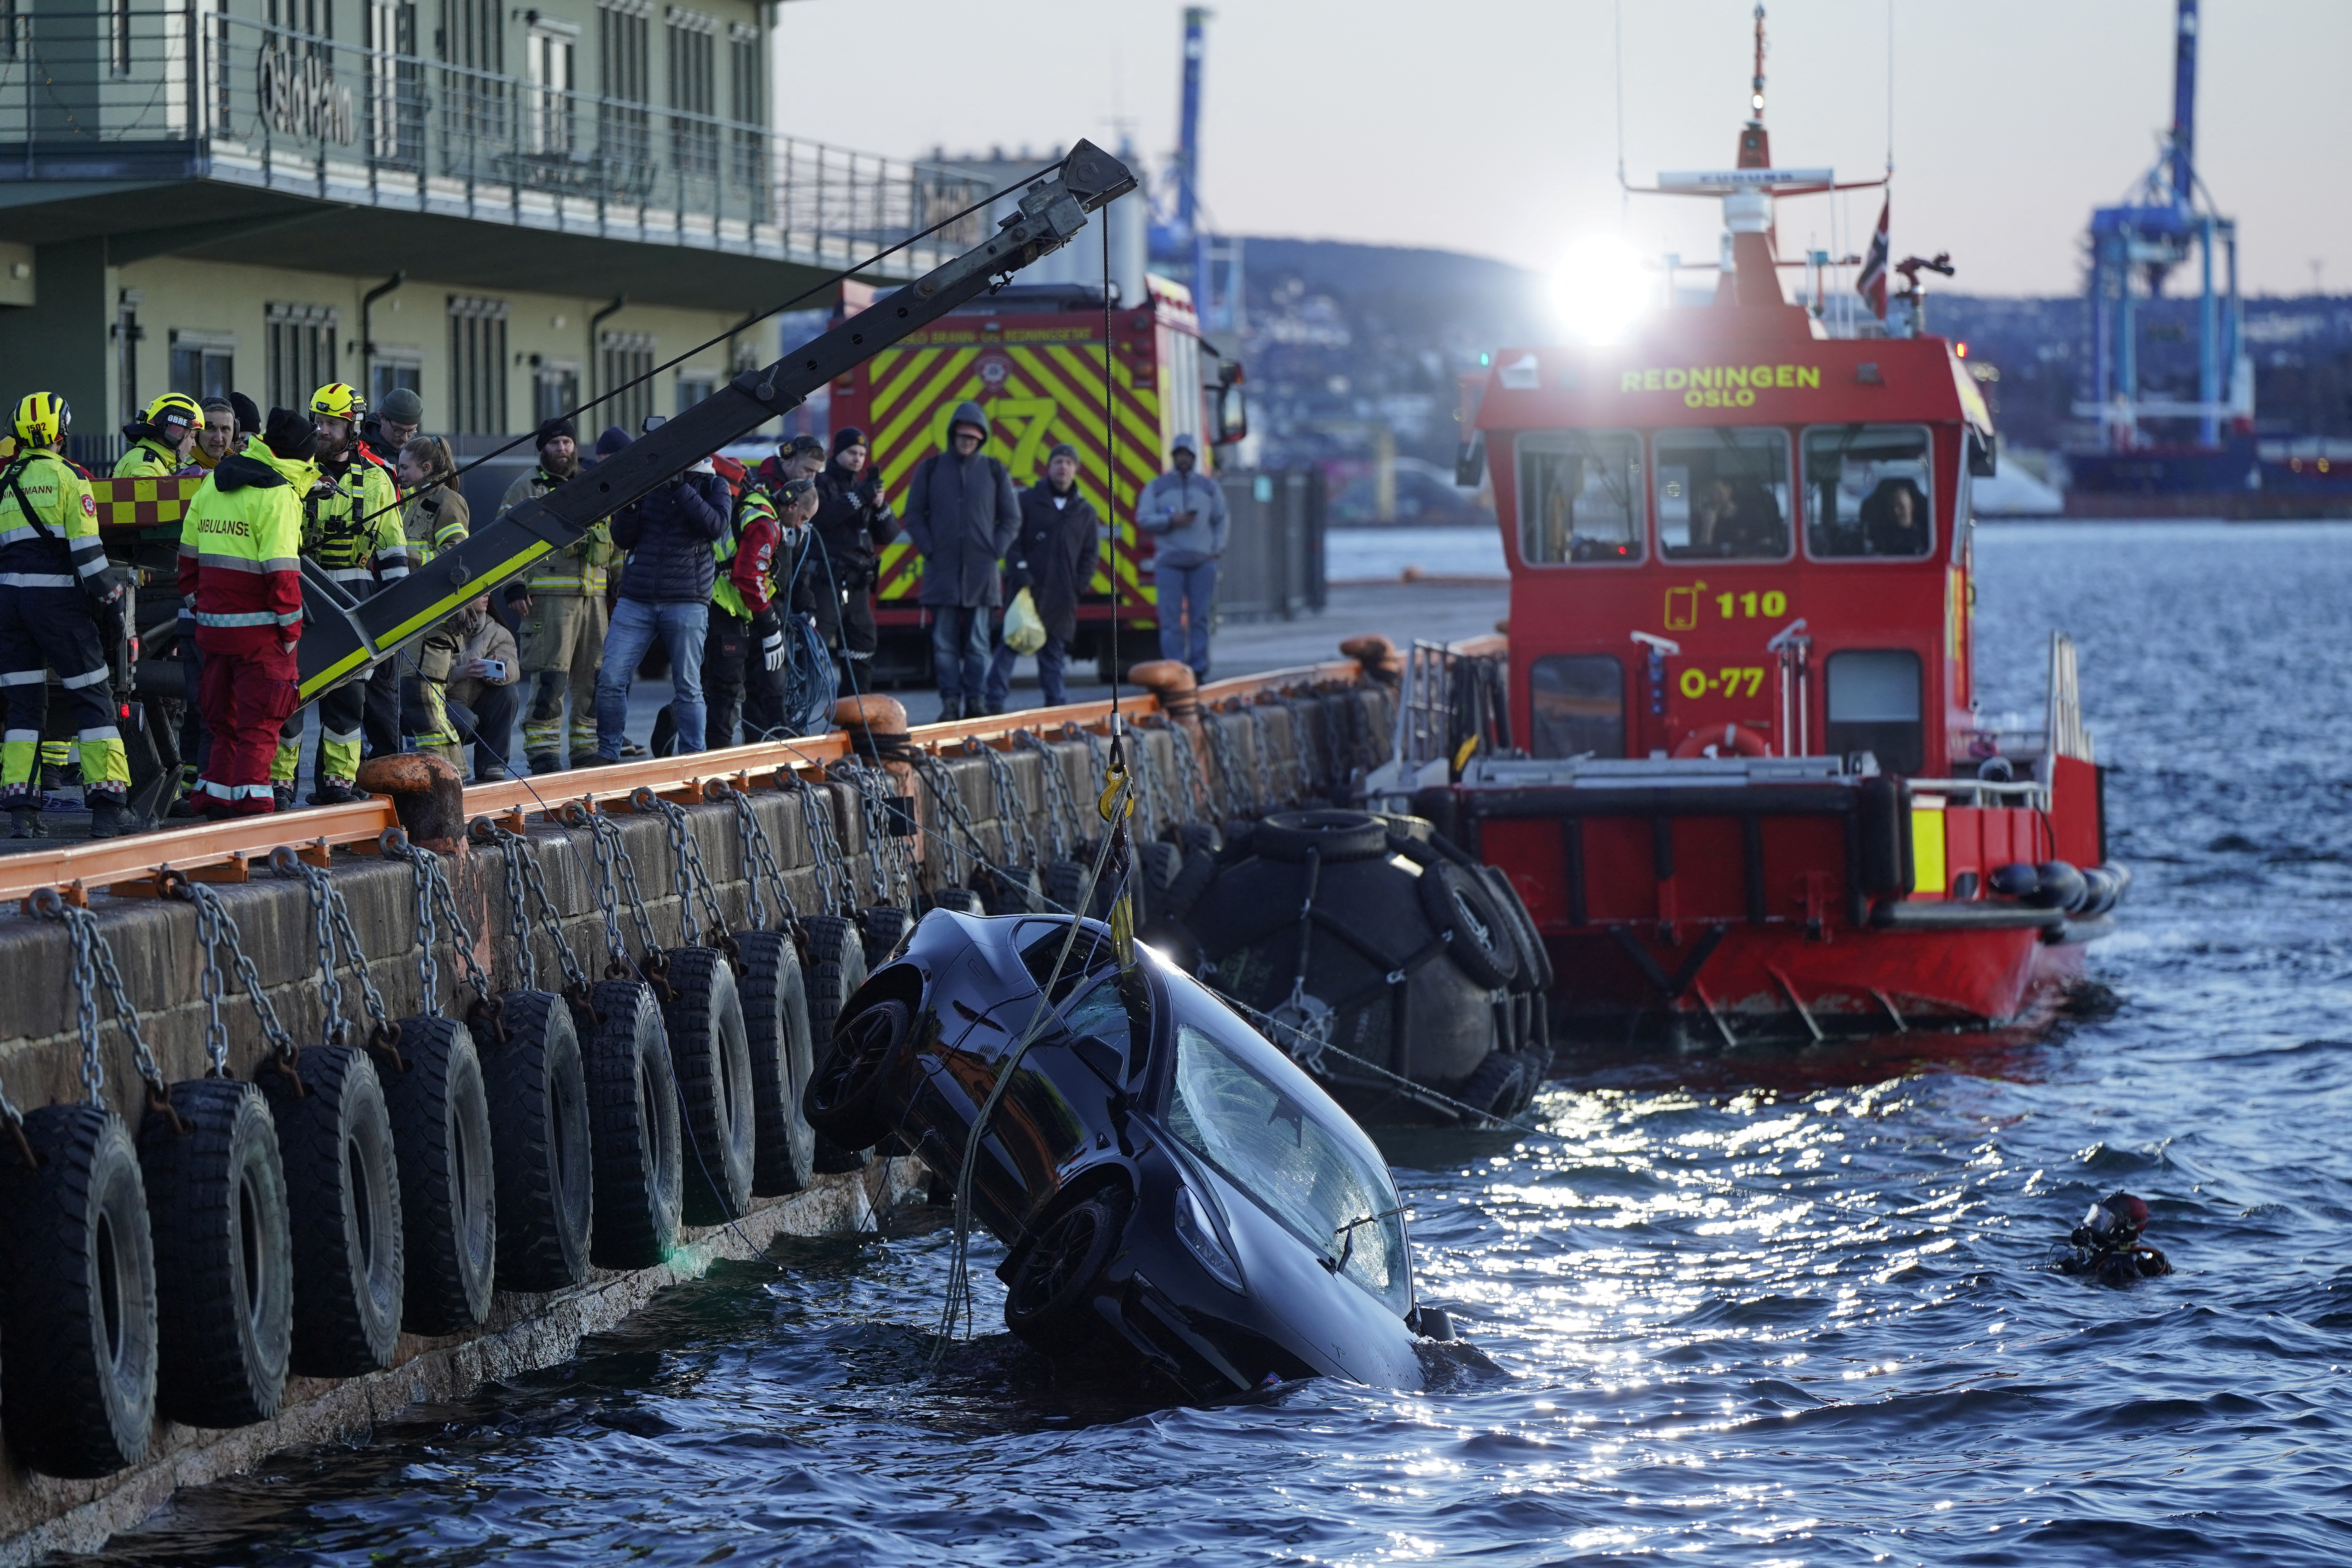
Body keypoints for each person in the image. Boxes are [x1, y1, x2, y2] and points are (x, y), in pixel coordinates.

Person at [0, 394, 134, 838]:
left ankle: (21, 811)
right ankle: (109, 808)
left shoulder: (4, 480)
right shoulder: (71, 479)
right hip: (58, 606)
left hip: (9, 608)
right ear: (62, 433)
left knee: (22, 708)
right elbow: (89, 559)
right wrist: (114, 600)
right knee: (92, 697)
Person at [179, 408, 312, 818]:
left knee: (222, 723)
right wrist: (291, 630)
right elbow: (282, 573)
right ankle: (253, 810)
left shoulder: (213, 485)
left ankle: (216, 798)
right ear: (301, 457)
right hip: (262, 635)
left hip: (214, 630)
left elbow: (187, 558)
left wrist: (201, 608)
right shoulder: (280, 495)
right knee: (260, 725)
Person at [278, 382, 405, 805]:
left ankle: (337, 783)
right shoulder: (293, 473)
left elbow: (392, 548)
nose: (323, 431)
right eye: (318, 421)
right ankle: (280, 784)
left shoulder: (377, 479)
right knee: (290, 698)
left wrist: (396, 608)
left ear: (352, 427)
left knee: (348, 702)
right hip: (302, 595)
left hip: (356, 599)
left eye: (332, 423)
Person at [589, 455, 728, 761]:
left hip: (687, 599)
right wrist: (631, 504)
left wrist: (680, 487)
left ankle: (693, 758)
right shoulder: (648, 482)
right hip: (637, 597)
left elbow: (715, 526)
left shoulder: (713, 483)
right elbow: (623, 539)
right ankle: (608, 753)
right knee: (611, 678)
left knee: (689, 687)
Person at [503, 417, 617, 772]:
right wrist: (514, 586)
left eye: (568, 442)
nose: (563, 449)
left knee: (593, 680)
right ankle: (543, 754)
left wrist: (622, 583)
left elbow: (615, 542)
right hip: (547, 604)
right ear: (542, 449)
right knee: (551, 680)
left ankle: (585, 751)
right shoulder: (526, 488)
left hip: (595, 602)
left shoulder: (591, 484)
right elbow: (504, 542)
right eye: (555, 444)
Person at [902, 400, 1018, 720]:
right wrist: (930, 549)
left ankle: (976, 702)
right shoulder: (931, 469)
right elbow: (913, 515)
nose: (967, 441)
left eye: (974, 437)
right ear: (952, 435)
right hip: (942, 572)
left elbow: (1011, 518)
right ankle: (951, 703)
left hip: (982, 574)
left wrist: (996, 550)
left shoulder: (994, 470)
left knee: (979, 645)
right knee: (944, 645)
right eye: (963, 435)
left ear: (981, 439)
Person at [695, 473, 811, 749]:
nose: (802, 527)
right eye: (804, 519)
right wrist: (769, 624)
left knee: (729, 688)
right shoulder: (764, 524)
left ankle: (736, 750)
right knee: (726, 690)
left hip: (727, 608)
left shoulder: (755, 506)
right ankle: (716, 761)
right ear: (793, 506)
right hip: (724, 608)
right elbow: (748, 577)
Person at [986, 443, 1100, 711]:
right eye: (1058, 462)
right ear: (1048, 468)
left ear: (1075, 471)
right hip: (1027, 591)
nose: (1063, 468)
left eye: (1069, 464)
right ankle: (992, 702)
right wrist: (1021, 573)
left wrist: (1078, 587)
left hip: (1062, 595)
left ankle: (1056, 708)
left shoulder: (1085, 512)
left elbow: (1090, 555)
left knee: (1053, 657)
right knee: (1010, 646)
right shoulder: (1026, 501)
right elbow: (1011, 542)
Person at [396, 436, 474, 764]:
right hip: (416, 616)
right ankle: (444, 773)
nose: (398, 472)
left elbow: (457, 557)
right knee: (418, 700)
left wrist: (401, 557)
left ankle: (451, 774)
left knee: (424, 699)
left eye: (404, 467)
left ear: (426, 468)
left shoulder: (447, 502)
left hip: (437, 618)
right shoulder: (412, 502)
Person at [806, 425, 899, 693]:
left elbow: (889, 534)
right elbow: (824, 519)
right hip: (827, 583)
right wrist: (860, 497)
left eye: (862, 454)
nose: (858, 459)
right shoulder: (821, 485)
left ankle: (856, 723)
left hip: (858, 588)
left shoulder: (865, 490)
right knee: (814, 649)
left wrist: (880, 506)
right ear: (837, 453)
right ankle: (799, 718)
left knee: (861, 651)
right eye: (851, 452)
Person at [1136, 431, 1228, 681]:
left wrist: (1216, 549)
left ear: (1195, 457)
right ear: (1173, 457)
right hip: (1169, 562)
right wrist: (1170, 520)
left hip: (1202, 562)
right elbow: (1143, 518)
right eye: (1179, 455)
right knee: (1170, 620)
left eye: (1188, 455)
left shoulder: (1209, 487)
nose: (1184, 459)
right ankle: (1174, 669)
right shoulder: (1157, 487)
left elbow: (1222, 519)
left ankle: (1198, 669)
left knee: (1200, 618)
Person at [434, 595, 519, 780]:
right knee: (464, 719)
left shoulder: (497, 631)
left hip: (474, 714)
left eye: (489, 591)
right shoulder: (438, 628)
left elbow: (511, 662)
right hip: (441, 708)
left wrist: (501, 670)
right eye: (481, 591)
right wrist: (461, 672)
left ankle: (492, 765)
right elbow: (422, 676)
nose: (488, 595)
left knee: (509, 693)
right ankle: (445, 769)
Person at [2056, 1191, 2172, 1285]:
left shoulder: (2120, 1266)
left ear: (2126, 1228)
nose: (2095, 1224)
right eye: (2097, 1215)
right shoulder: (2103, 1254)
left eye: (2105, 1220)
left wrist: (2076, 1273)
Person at [113, 392, 203, 477]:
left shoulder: (157, 462)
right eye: (192, 436)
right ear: (175, 432)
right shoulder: (146, 467)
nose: (194, 444)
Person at [1859, 477, 1929, 557]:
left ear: (1913, 506)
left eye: (1901, 507)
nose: (1896, 512)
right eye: (1891, 507)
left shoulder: (1930, 541)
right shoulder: (1875, 542)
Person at [359, 386, 423, 467]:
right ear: (382, 417)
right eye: (398, 430)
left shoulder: (419, 453)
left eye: (411, 432)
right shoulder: (360, 451)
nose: (405, 438)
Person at [193, 397, 238, 470]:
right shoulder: (180, 469)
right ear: (196, 432)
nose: (219, 439)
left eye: (225, 429)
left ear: (235, 432)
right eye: (211, 428)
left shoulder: (240, 467)